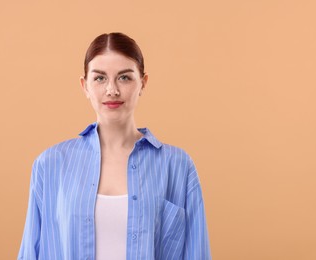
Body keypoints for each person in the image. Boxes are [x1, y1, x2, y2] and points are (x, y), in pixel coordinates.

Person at [18, 32, 211, 260]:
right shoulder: (50, 164)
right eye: (100, 78)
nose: (112, 90)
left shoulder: (178, 166)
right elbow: (31, 252)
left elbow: (196, 253)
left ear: (143, 83)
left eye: (124, 78)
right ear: (85, 86)